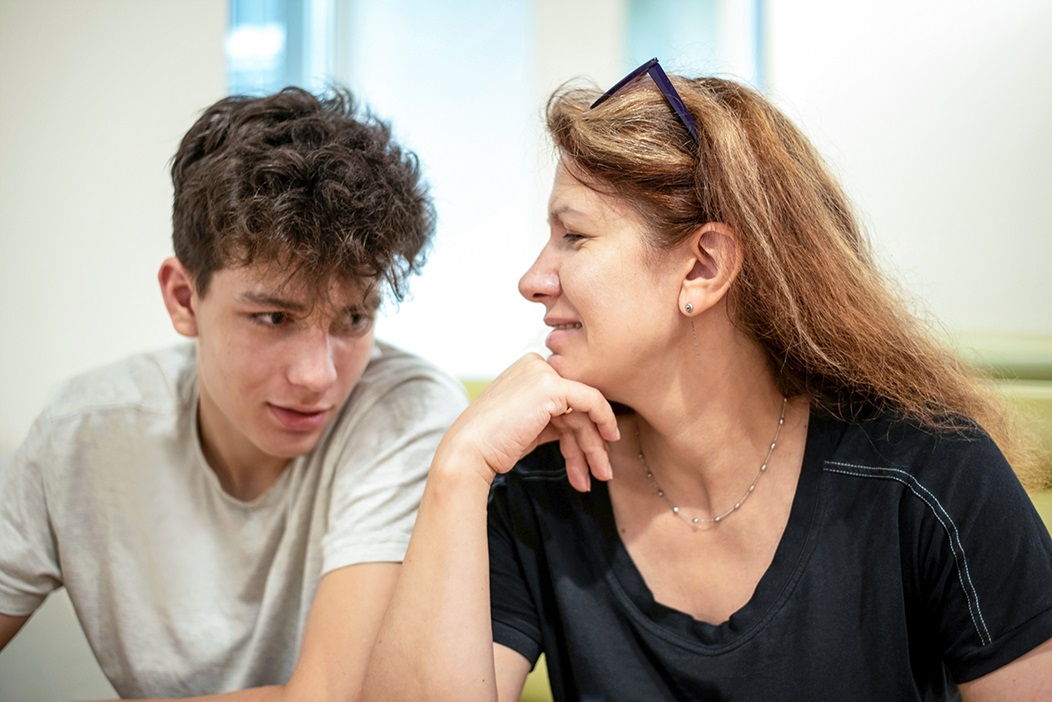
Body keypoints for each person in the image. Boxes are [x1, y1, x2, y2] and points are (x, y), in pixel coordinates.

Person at [363, 60, 1052, 701]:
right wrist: (460, 468)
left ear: (702, 269)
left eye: (574, 237)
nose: (533, 280)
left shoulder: (927, 474)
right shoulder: (545, 485)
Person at [0, 86, 467, 700]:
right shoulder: (84, 431)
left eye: (354, 319)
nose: (318, 375)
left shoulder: (407, 413)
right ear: (184, 298)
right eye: (274, 318)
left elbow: (328, 698)